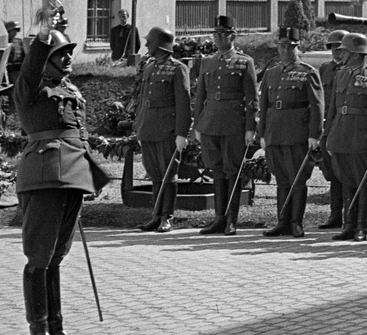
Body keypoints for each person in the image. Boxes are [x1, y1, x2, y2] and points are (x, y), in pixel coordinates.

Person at [13, 2, 106, 335]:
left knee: (57, 256)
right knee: (39, 255)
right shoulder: (31, 90)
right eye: (60, 53)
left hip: (73, 175)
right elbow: (32, 65)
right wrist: (45, 31)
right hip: (44, 175)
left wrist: (88, 173)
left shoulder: (69, 91)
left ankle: (56, 327)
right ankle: (37, 332)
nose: (67, 58)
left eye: (69, 52)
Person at [190, 15, 258, 236]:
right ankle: (218, 218)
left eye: (223, 34)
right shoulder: (208, 62)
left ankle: (231, 219)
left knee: (233, 171)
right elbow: (200, 96)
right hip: (210, 123)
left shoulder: (244, 61)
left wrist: (250, 128)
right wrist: (198, 125)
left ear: (233, 36)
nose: (219, 39)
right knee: (216, 170)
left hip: (234, 123)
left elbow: (251, 98)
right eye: (216, 34)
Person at [257, 26, 323, 238]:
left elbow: (317, 105)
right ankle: (282, 221)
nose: (285, 50)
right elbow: (264, 104)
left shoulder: (307, 72)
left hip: (297, 132)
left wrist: (315, 134)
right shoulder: (271, 72)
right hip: (275, 132)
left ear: (297, 48)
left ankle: (296, 222)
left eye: (290, 47)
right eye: (282, 46)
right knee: (282, 178)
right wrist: (263, 133)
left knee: (297, 178)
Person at [324, 33, 367, 241]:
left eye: (344, 50)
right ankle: (349, 224)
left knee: (363, 181)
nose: (340, 54)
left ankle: (362, 226)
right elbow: (333, 109)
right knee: (346, 180)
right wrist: (328, 135)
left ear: (354, 53)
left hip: (362, 136)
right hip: (341, 134)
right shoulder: (341, 74)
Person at [133, 26, 190, 233]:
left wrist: (182, 133)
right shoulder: (148, 67)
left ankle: (167, 216)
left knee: (168, 174)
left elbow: (183, 103)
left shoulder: (178, 68)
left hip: (167, 129)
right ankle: (156, 216)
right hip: (148, 127)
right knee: (154, 174)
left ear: (159, 45)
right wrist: (139, 126)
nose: (146, 44)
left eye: (150, 42)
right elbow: (142, 100)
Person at [318, 29, 349, 231]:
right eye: (332, 48)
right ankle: (335, 214)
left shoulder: (355, 70)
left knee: (350, 172)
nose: (337, 53)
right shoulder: (325, 69)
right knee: (332, 173)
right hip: (329, 126)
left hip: (348, 127)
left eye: (340, 48)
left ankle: (356, 215)